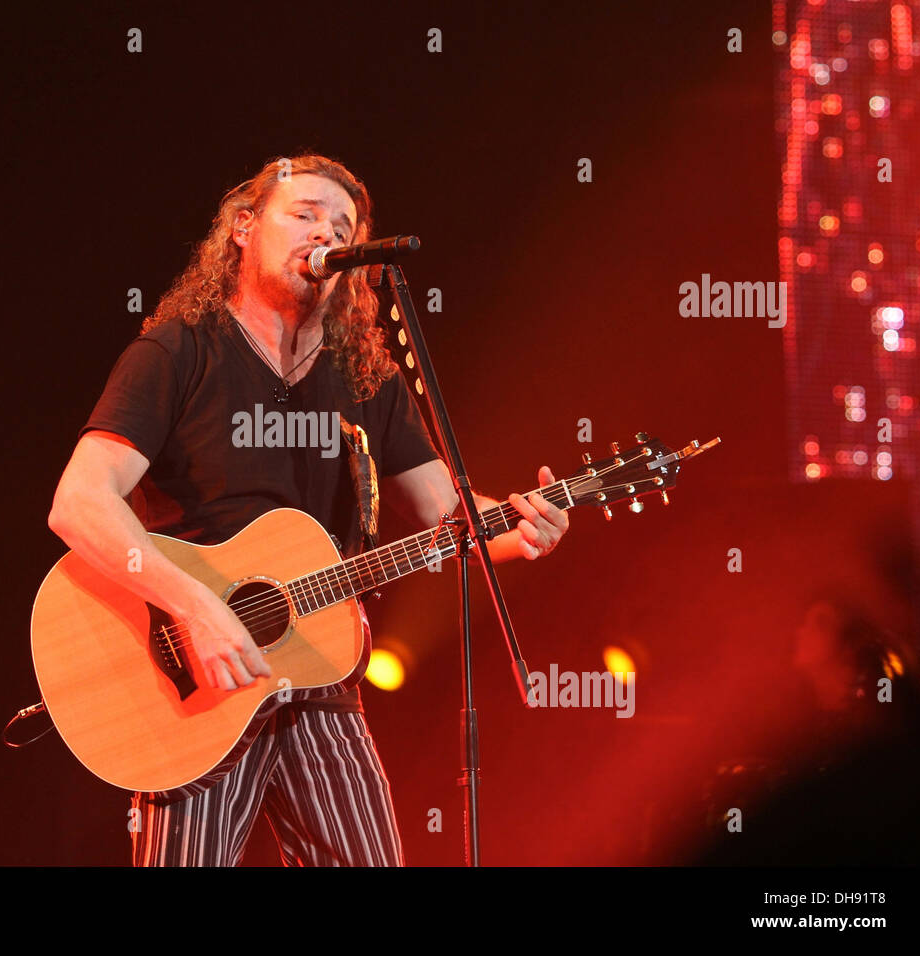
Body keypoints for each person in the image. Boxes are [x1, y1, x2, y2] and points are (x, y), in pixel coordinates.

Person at [47, 154, 571, 866]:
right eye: (304, 214)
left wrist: (521, 527)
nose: (325, 231)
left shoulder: (365, 377)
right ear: (242, 228)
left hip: (319, 673)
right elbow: (79, 502)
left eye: (342, 224)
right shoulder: (177, 353)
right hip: (194, 682)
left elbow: (450, 517)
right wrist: (198, 609)